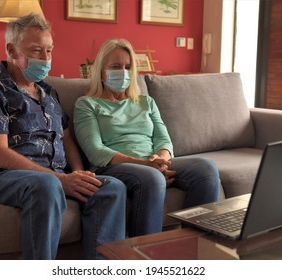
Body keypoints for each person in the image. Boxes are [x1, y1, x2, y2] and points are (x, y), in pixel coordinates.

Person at [0, 14, 126, 260]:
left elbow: (66, 137)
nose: (46, 58)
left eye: (49, 50)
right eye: (36, 50)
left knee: (111, 188)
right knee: (48, 185)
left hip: (53, 176)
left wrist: (77, 173)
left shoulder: (48, 92)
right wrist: (59, 180)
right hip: (0, 175)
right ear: (11, 50)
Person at [74, 38, 220, 237]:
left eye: (128, 67)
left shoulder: (146, 102)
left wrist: (162, 161)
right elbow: (95, 151)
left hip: (153, 163)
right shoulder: (87, 104)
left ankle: (194, 247)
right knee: (151, 178)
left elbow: (163, 139)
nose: (123, 72)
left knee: (205, 168)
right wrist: (145, 164)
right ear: (101, 70)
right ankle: (145, 256)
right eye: (116, 66)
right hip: (115, 166)